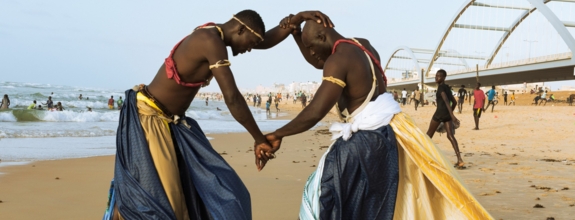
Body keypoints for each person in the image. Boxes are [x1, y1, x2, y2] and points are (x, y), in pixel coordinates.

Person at [102, 10, 334, 220]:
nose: (249, 50)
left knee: (219, 188)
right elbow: (232, 97)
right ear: (240, 29)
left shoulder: (217, 34)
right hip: (149, 120)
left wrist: (297, 19)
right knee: (160, 201)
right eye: (249, 43)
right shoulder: (210, 41)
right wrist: (259, 139)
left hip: (171, 123)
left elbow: (265, 41)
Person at [263, 19, 490, 219]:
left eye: (311, 47)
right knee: (372, 206)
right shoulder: (363, 46)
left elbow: (314, 112)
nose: (311, 53)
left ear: (322, 36)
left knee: (321, 196)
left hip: (363, 142)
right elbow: (318, 61)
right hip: (386, 135)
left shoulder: (337, 60)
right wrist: (297, 31)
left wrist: (277, 134)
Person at [426, 69, 464, 169]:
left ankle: (422, 155)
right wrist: (450, 114)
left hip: (439, 114)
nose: (436, 77)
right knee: (450, 136)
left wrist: (452, 116)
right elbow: (454, 103)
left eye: (438, 76)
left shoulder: (441, 88)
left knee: (428, 135)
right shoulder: (447, 88)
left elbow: (446, 101)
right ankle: (459, 159)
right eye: (436, 76)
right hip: (447, 115)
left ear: (443, 78)